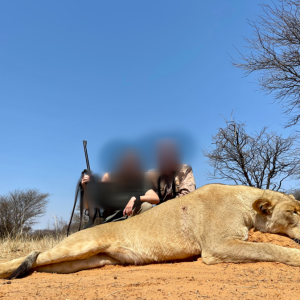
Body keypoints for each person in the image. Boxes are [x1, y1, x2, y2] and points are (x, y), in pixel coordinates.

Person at [81, 150, 159, 228]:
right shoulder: (108, 178)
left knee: (146, 206)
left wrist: (135, 198)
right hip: (112, 221)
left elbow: (155, 198)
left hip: (130, 217)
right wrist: (86, 187)